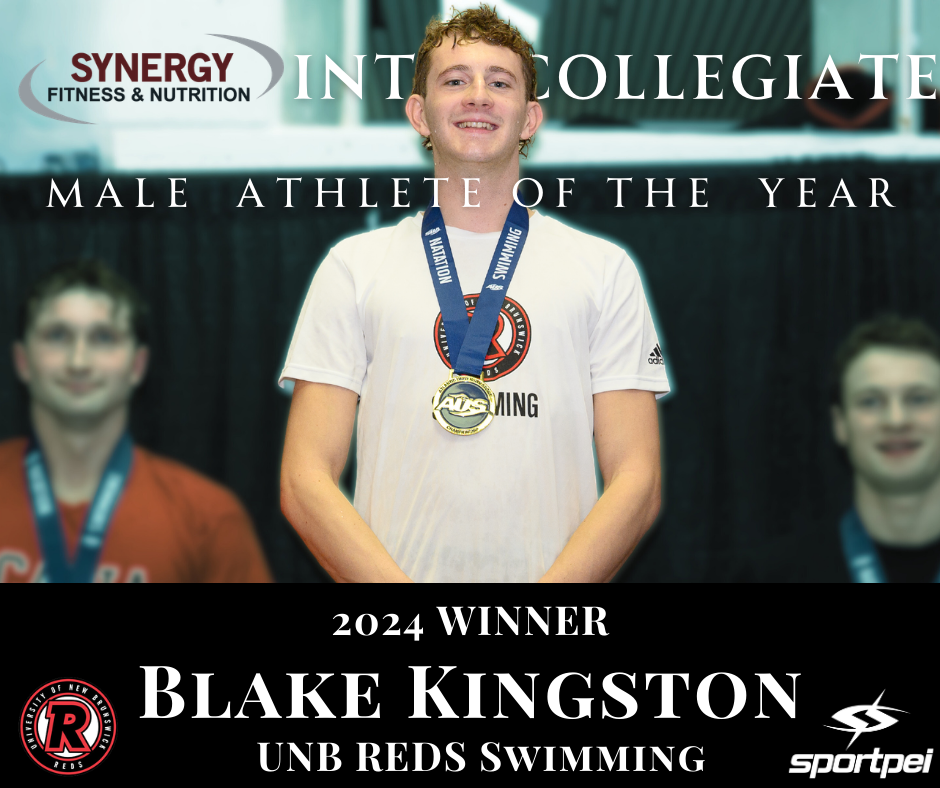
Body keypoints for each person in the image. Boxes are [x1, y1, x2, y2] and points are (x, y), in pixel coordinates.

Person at [280, 5, 669, 582]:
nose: (479, 95)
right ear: (419, 114)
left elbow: (639, 479)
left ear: (530, 118)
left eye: (501, 82)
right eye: (455, 80)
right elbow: (304, 478)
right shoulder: (354, 266)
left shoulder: (603, 269)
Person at [0, 260, 272, 583]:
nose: (78, 361)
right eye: (57, 335)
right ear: (22, 360)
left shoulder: (208, 518)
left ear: (137, 365)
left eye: (103, 338)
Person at [830, 316, 940, 583]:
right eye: (870, 402)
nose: (896, 420)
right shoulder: (764, 575)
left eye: (918, 398)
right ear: (840, 424)